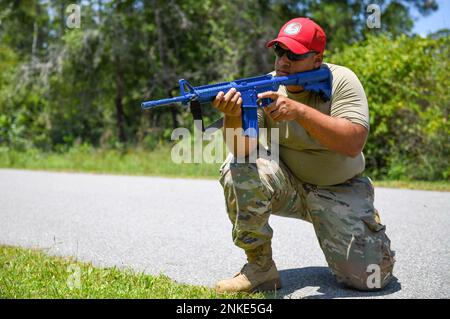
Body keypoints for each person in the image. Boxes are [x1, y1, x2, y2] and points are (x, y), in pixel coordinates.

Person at [211, 17, 395, 293]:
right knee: (237, 165)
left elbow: (353, 142)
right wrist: (232, 116)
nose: (283, 61)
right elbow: (242, 150)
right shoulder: (266, 85)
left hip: (339, 190)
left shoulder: (342, 81)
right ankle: (260, 269)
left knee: (370, 279)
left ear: (317, 59)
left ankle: (362, 219)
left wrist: (299, 112)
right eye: (279, 52)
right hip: (290, 186)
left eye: (294, 55)